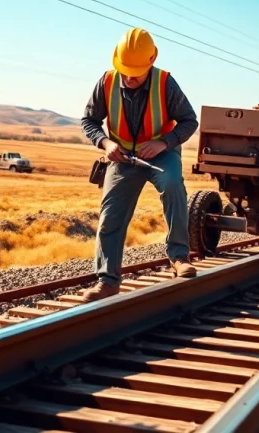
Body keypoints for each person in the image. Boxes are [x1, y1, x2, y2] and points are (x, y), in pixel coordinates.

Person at [78, 27, 200, 301]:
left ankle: (179, 257)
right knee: (110, 215)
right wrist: (106, 144)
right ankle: (107, 280)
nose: (130, 77)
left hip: (161, 153)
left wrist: (164, 143)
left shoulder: (166, 83)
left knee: (172, 186)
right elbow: (88, 121)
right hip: (122, 157)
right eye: (126, 70)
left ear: (151, 61)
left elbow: (189, 121)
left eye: (136, 72)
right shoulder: (107, 82)